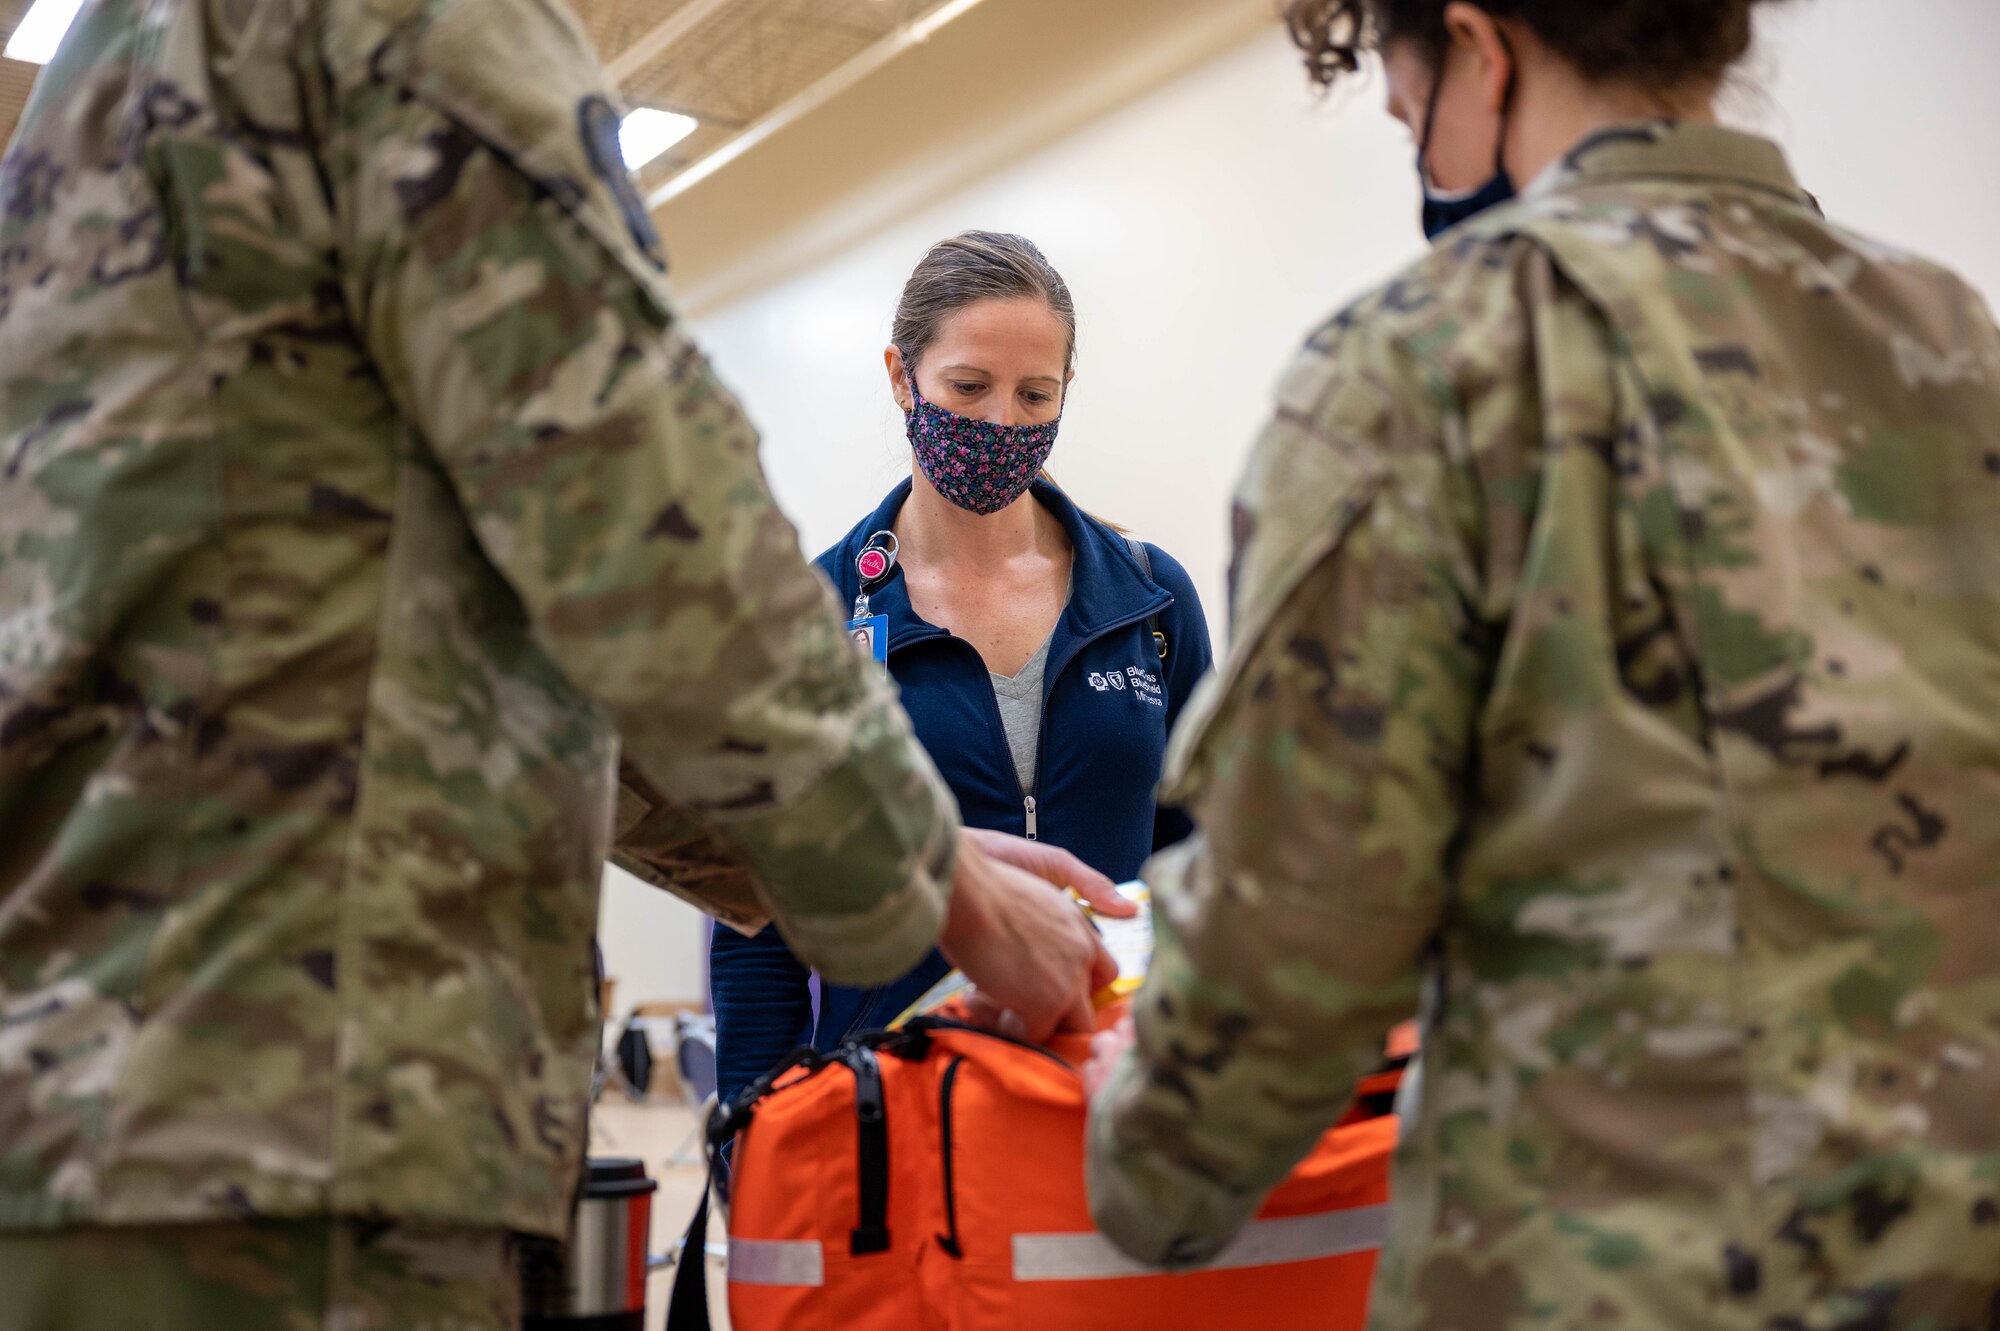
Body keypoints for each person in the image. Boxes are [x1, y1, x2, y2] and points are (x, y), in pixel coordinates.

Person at [0, 0, 1121, 1325]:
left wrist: (924, 862)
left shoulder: (129, 59)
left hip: (142, 1086)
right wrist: (948, 890)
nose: (1001, 424)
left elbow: (528, 621)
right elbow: (641, 509)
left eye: (1034, 396)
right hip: (297, 1112)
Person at [1084, 0, 2000, 1326]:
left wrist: (1148, 1155)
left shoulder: (1425, 361)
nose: (1425, 162)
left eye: (1410, 116)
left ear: (1480, 46)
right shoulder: (1954, 339)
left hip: (1615, 1275)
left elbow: (1298, 933)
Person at [711, 232, 1214, 1104]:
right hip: (891, 1107)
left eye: (1036, 394)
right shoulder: (815, 616)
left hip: (1117, 1091)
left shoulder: (1150, 600)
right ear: (903, 378)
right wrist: (753, 1123)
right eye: (969, 387)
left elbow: (1203, 859)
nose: (1002, 423)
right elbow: (759, 921)